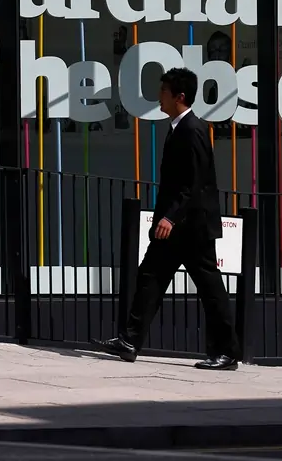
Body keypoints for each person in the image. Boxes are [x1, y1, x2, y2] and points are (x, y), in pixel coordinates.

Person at [93, 68, 240, 371]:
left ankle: (226, 352)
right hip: (176, 227)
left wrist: (170, 218)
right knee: (150, 278)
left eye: (163, 92)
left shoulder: (192, 130)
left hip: (192, 227)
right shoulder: (178, 128)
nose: (159, 97)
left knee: (210, 288)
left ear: (179, 97)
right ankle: (130, 340)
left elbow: (194, 183)